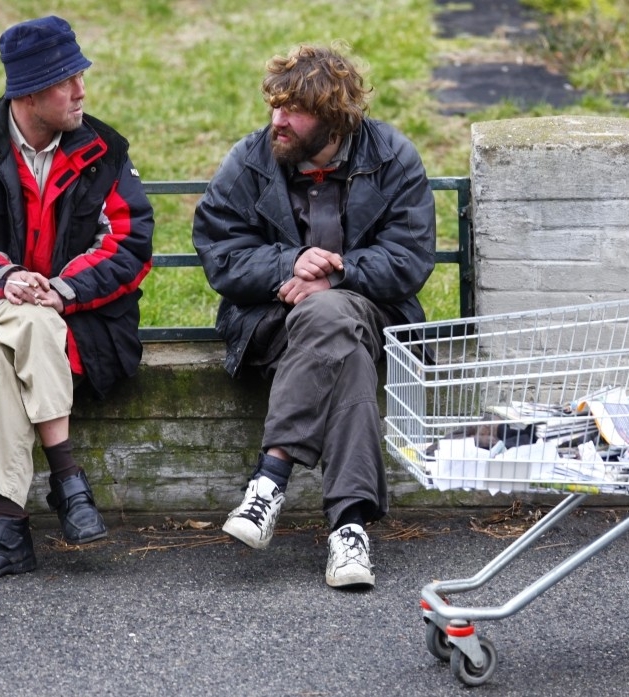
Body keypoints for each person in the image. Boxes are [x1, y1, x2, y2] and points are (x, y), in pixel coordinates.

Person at [0, 16, 154, 581]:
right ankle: (67, 480)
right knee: (22, 321)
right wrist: (5, 280)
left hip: (87, 324)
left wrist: (61, 290)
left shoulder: (104, 149)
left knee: (11, 349)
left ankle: (7, 525)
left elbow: (130, 243)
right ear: (30, 91)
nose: (81, 91)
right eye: (68, 79)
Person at [192, 44, 436, 589]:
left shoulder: (392, 157)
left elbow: (410, 258)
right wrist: (288, 262)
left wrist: (338, 273)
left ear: (332, 117)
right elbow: (220, 252)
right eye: (274, 106)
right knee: (341, 350)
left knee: (333, 315)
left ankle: (270, 480)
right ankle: (349, 530)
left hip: (372, 314)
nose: (276, 120)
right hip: (271, 323)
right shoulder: (251, 160)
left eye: (292, 111)